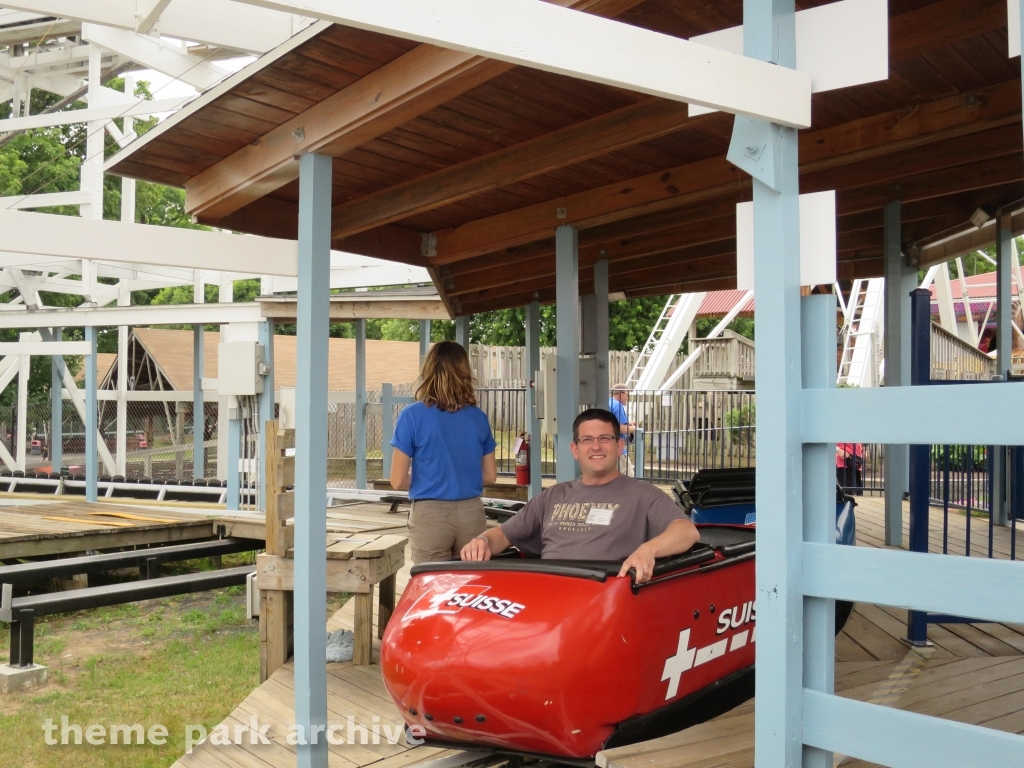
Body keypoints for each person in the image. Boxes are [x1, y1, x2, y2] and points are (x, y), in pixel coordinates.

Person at [461, 408, 699, 583]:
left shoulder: (644, 495)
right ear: (575, 450)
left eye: (605, 438)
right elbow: (503, 534)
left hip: (606, 603)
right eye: (587, 440)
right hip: (545, 598)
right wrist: (482, 542)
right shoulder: (551, 496)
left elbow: (687, 531)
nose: (596, 446)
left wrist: (648, 550)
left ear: (620, 447)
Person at [390, 341, 497, 564]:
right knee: (469, 590)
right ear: (465, 372)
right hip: (472, 514)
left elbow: (397, 480)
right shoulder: (478, 417)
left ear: (428, 371)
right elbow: (489, 476)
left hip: (430, 515)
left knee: (431, 588)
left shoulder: (412, 415)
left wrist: (428, 476)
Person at [608, 384, 636, 476]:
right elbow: (622, 429)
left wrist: (627, 422)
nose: (627, 398)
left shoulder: (608, 403)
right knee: (629, 479)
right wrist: (634, 428)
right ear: (620, 393)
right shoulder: (617, 406)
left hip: (607, 448)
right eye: (626, 395)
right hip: (618, 449)